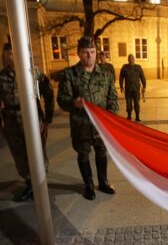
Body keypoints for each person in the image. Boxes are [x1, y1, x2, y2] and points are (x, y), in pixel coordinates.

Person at [57, 36, 119, 200]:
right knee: (83, 155)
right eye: (85, 52)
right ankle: (88, 185)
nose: (89, 56)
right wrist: (73, 104)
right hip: (81, 126)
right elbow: (62, 99)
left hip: (101, 126)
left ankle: (103, 182)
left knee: (102, 153)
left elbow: (113, 98)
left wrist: (111, 118)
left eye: (92, 52)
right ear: (79, 53)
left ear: (96, 52)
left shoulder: (105, 74)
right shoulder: (70, 74)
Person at [0, 42, 54, 201]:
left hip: (33, 119)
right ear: (5, 56)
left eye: (15, 52)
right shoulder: (1, 76)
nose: (13, 56)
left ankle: (41, 185)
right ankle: (30, 184)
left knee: (38, 153)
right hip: (12, 121)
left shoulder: (34, 73)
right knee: (20, 155)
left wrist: (47, 120)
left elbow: (49, 96)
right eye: (10, 54)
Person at [119, 54, 146, 122]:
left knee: (137, 103)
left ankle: (137, 116)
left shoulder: (138, 67)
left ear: (134, 59)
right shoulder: (124, 67)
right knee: (128, 103)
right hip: (128, 90)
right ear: (128, 60)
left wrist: (144, 86)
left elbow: (142, 77)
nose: (131, 60)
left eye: (132, 58)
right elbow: (121, 77)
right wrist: (121, 86)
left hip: (136, 89)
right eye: (130, 58)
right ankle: (129, 116)